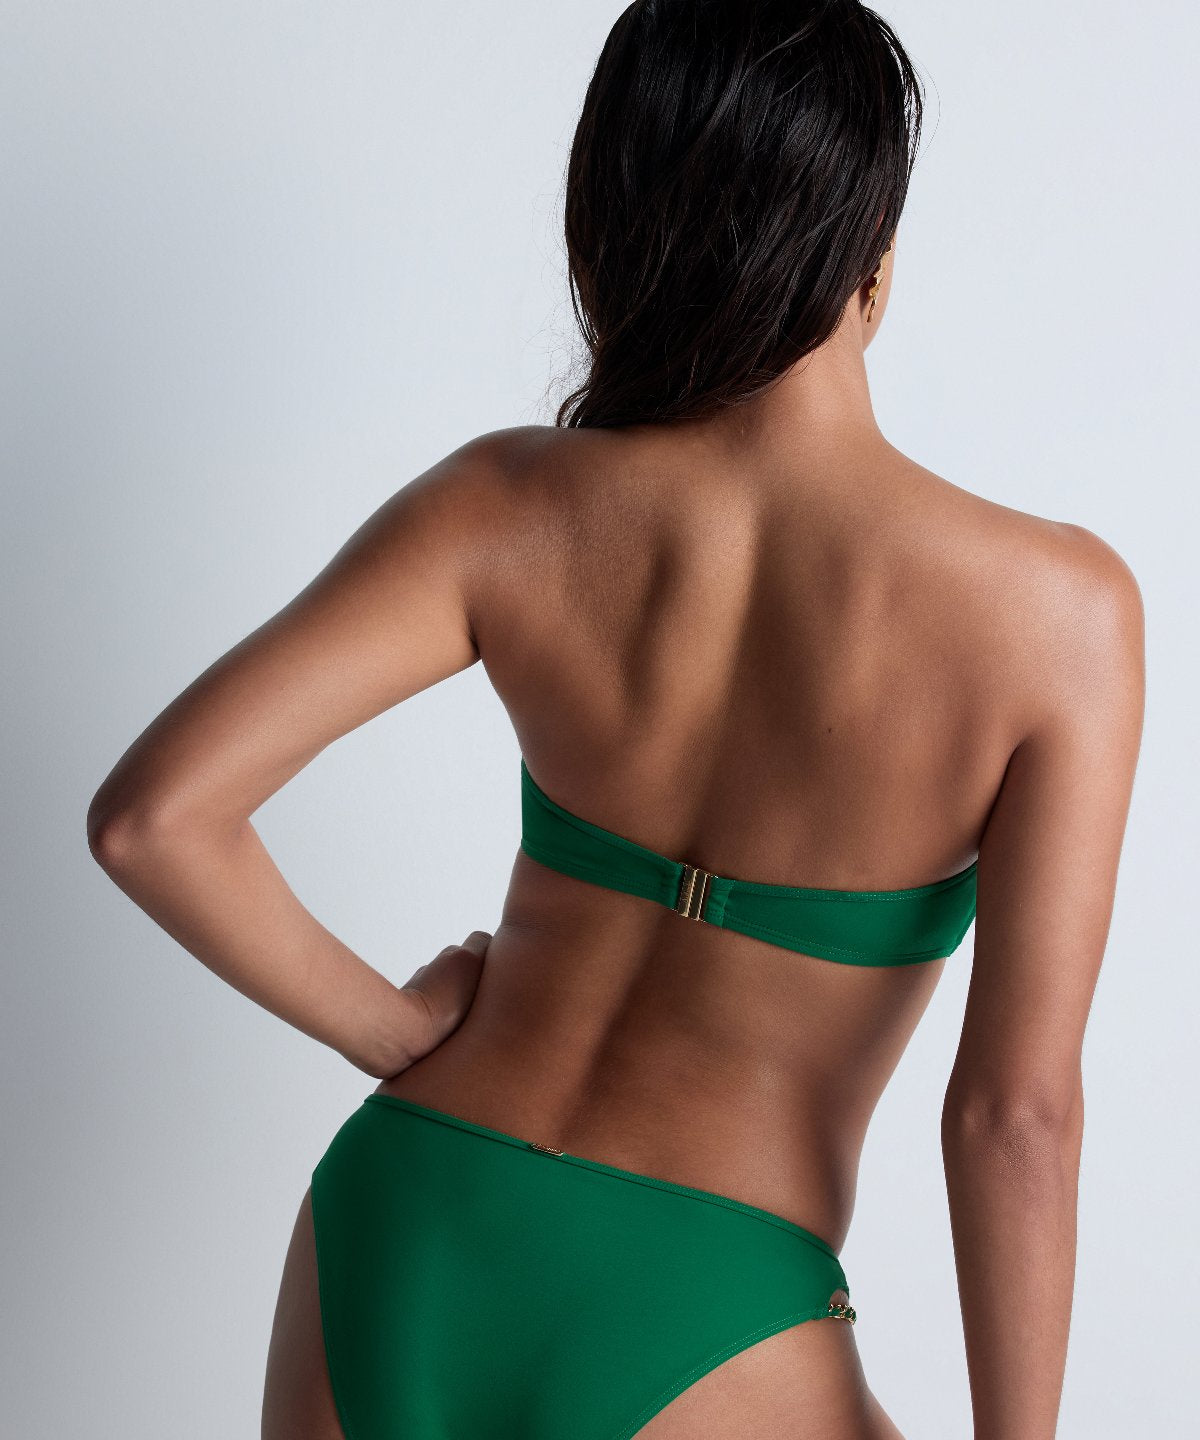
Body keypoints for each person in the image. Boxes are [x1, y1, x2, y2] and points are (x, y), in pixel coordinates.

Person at [86, 3, 1145, 1437]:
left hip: (402, 1220)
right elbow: (1016, 1115)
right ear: (872, 252)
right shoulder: (1056, 615)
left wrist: (392, 1030)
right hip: (701, 1301)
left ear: (619, 225)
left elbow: (156, 819)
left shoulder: (506, 506)